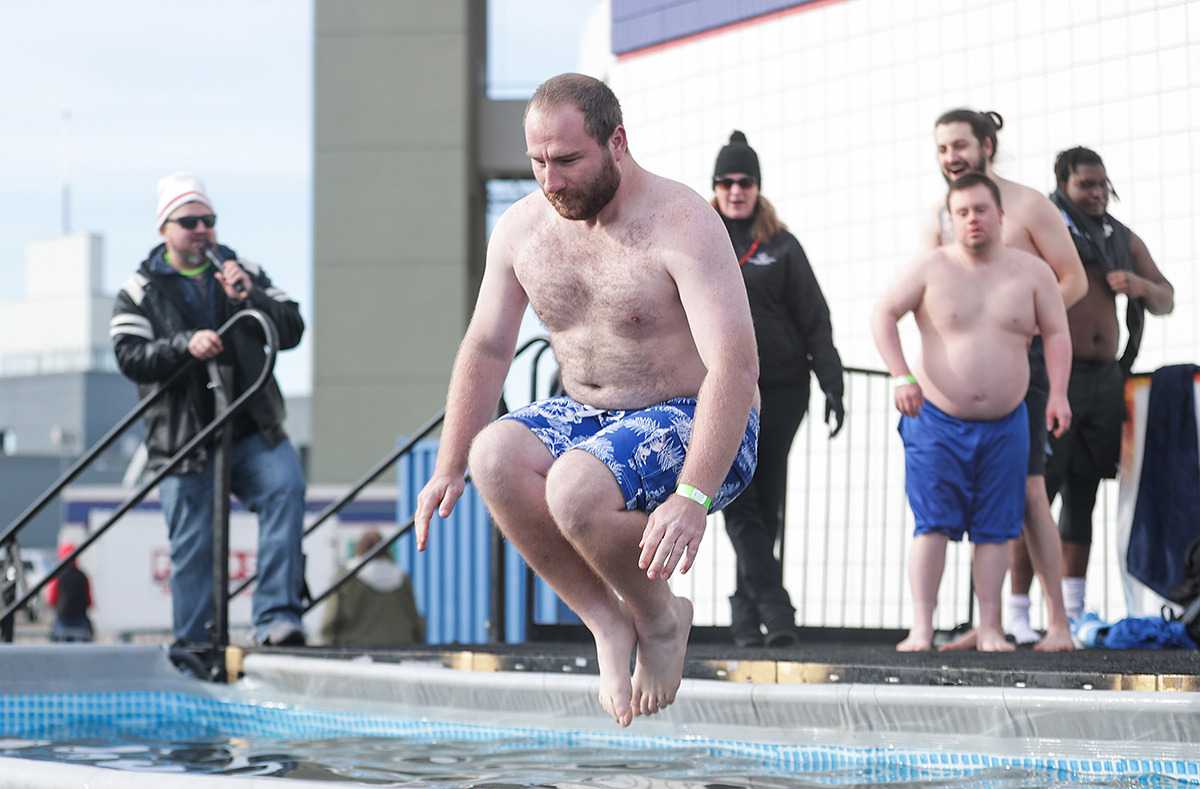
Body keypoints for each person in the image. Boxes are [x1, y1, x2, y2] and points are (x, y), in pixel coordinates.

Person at [414, 74, 760, 728]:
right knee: (493, 456)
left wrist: (692, 496)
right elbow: (488, 345)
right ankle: (607, 621)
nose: (551, 179)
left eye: (568, 160)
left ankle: (660, 619)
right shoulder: (522, 229)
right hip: (590, 413)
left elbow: (736, 368)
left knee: (574, 487)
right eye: (538, 161)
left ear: (617, 142)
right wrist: (447, 464)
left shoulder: (682, 222)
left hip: (702, 416)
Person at [874, 173, 1073, 652]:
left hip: (1007, 422)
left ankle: (989, 628)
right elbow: (883, 313)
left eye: (980, 210)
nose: (971, 220)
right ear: (950, 219)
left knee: (996, 527)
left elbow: (1058, 332)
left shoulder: (1032, 272)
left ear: (1000, 215)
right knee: (933, 523)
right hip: (936, 417)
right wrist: (901, 375)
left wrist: (1059, 394)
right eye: (961, 212)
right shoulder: (929, 267)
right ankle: (922, 627)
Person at [110, 172, 309, 648]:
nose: (201, 229)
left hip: (252, 432)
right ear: (165, 229)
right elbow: (129, 356)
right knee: (194, 548)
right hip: (185, 443)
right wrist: (183, 345)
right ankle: (196, 647)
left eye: (209, 220)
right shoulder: (139, 289)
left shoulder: (244, 270)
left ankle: (276, 619)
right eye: (189, 221)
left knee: (287, 488)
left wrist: (250, 297)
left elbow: (293, 328)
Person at [921, 109, 1086, 652]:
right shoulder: (940, 216)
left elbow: (1074, 280)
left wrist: (1019, 324)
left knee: (1032, 491)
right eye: (943, 149)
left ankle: (1058, 622)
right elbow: (925, 292)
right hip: (955, 387)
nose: (952, 157)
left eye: (961, 145)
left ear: (988, 145)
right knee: (972, 494)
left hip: (1027, 364)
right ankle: (986, 622)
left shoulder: (1029, 206)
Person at [1006, 147, 1174, 623]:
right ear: (1063, 183)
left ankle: (1074, 613)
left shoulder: (1121, 237)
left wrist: (1140, 288)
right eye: (1086, 185)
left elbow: (1166, 298)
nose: (1097, 193)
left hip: (1106, 378)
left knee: (1085, 493)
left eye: (1102, 184)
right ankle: (1018, 614)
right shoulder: (1045, 226)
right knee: (1038, 492)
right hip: (1055, 373)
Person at [709, 130, 844, 648]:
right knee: (737, 499)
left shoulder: (782, 245)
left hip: (784, 389)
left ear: (758, 187)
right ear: (715, 186)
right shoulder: (700, 236)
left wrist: (832, 385)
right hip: (721, 389)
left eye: (745, 182)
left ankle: (746, 618)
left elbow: (815, 317)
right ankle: (775, 610)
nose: (736, 191)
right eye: (726, 182)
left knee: (768, 501)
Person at [320, 529, 425, 646]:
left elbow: (331, 620)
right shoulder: (402, 578)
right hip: (400, 648)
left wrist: (328, 646)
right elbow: (416, 623)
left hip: (356, 650)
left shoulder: (346, 577)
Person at [48, 544, 94, 642]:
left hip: (62, 620)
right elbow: (89, 601)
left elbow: (51, 600)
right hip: (81, 620)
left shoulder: (58, 576)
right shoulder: (83, 576)